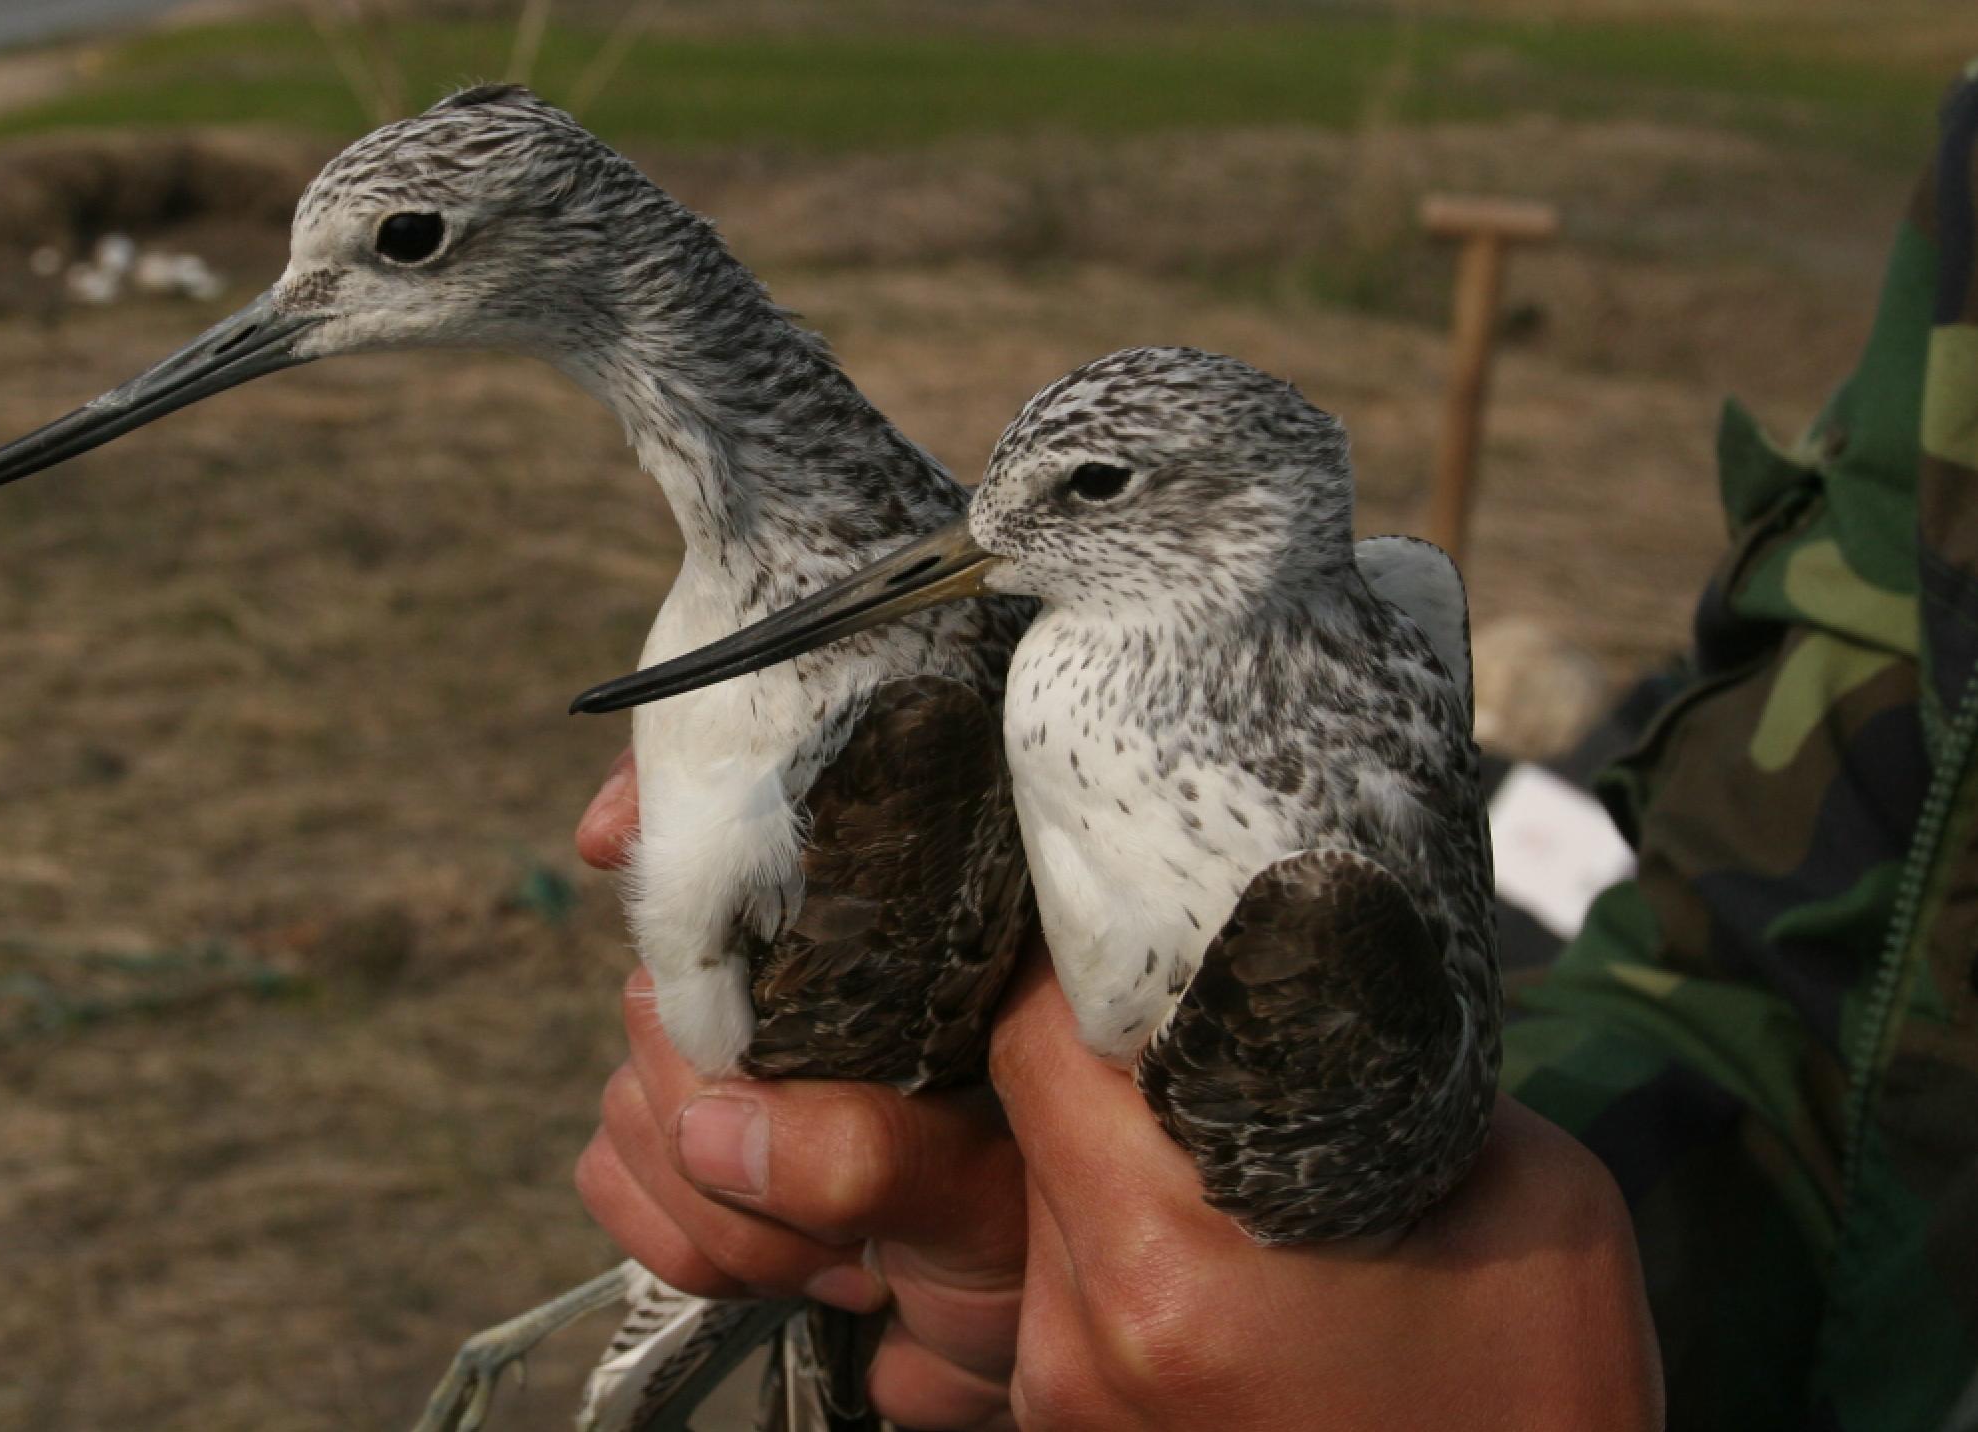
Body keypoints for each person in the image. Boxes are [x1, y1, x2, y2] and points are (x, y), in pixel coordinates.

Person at [570, 70, 1978, 1432]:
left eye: (1090, 496)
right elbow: (1803, 940)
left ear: (1244, 517)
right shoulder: (1291, 619)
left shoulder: (1341, 692)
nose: (961, 554)